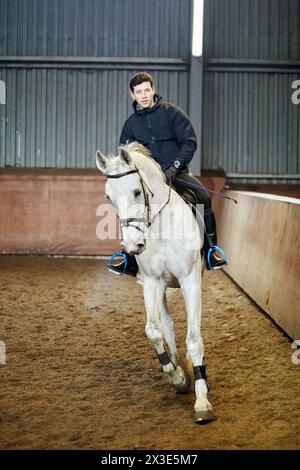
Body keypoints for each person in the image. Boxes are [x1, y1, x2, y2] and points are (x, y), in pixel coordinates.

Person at [109, 72, 227, 276]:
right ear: (132, 95)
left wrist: (174, 167)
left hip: (176, 174)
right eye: (139, 92)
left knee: (203, 197)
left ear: (153, 90)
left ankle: (211, 250)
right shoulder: (130, 125)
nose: (144, 95)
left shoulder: (172, 113)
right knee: (128, 204)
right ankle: (128, 258)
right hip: (147, 181)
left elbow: (189, 142)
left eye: (147, 90)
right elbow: (125, 157)